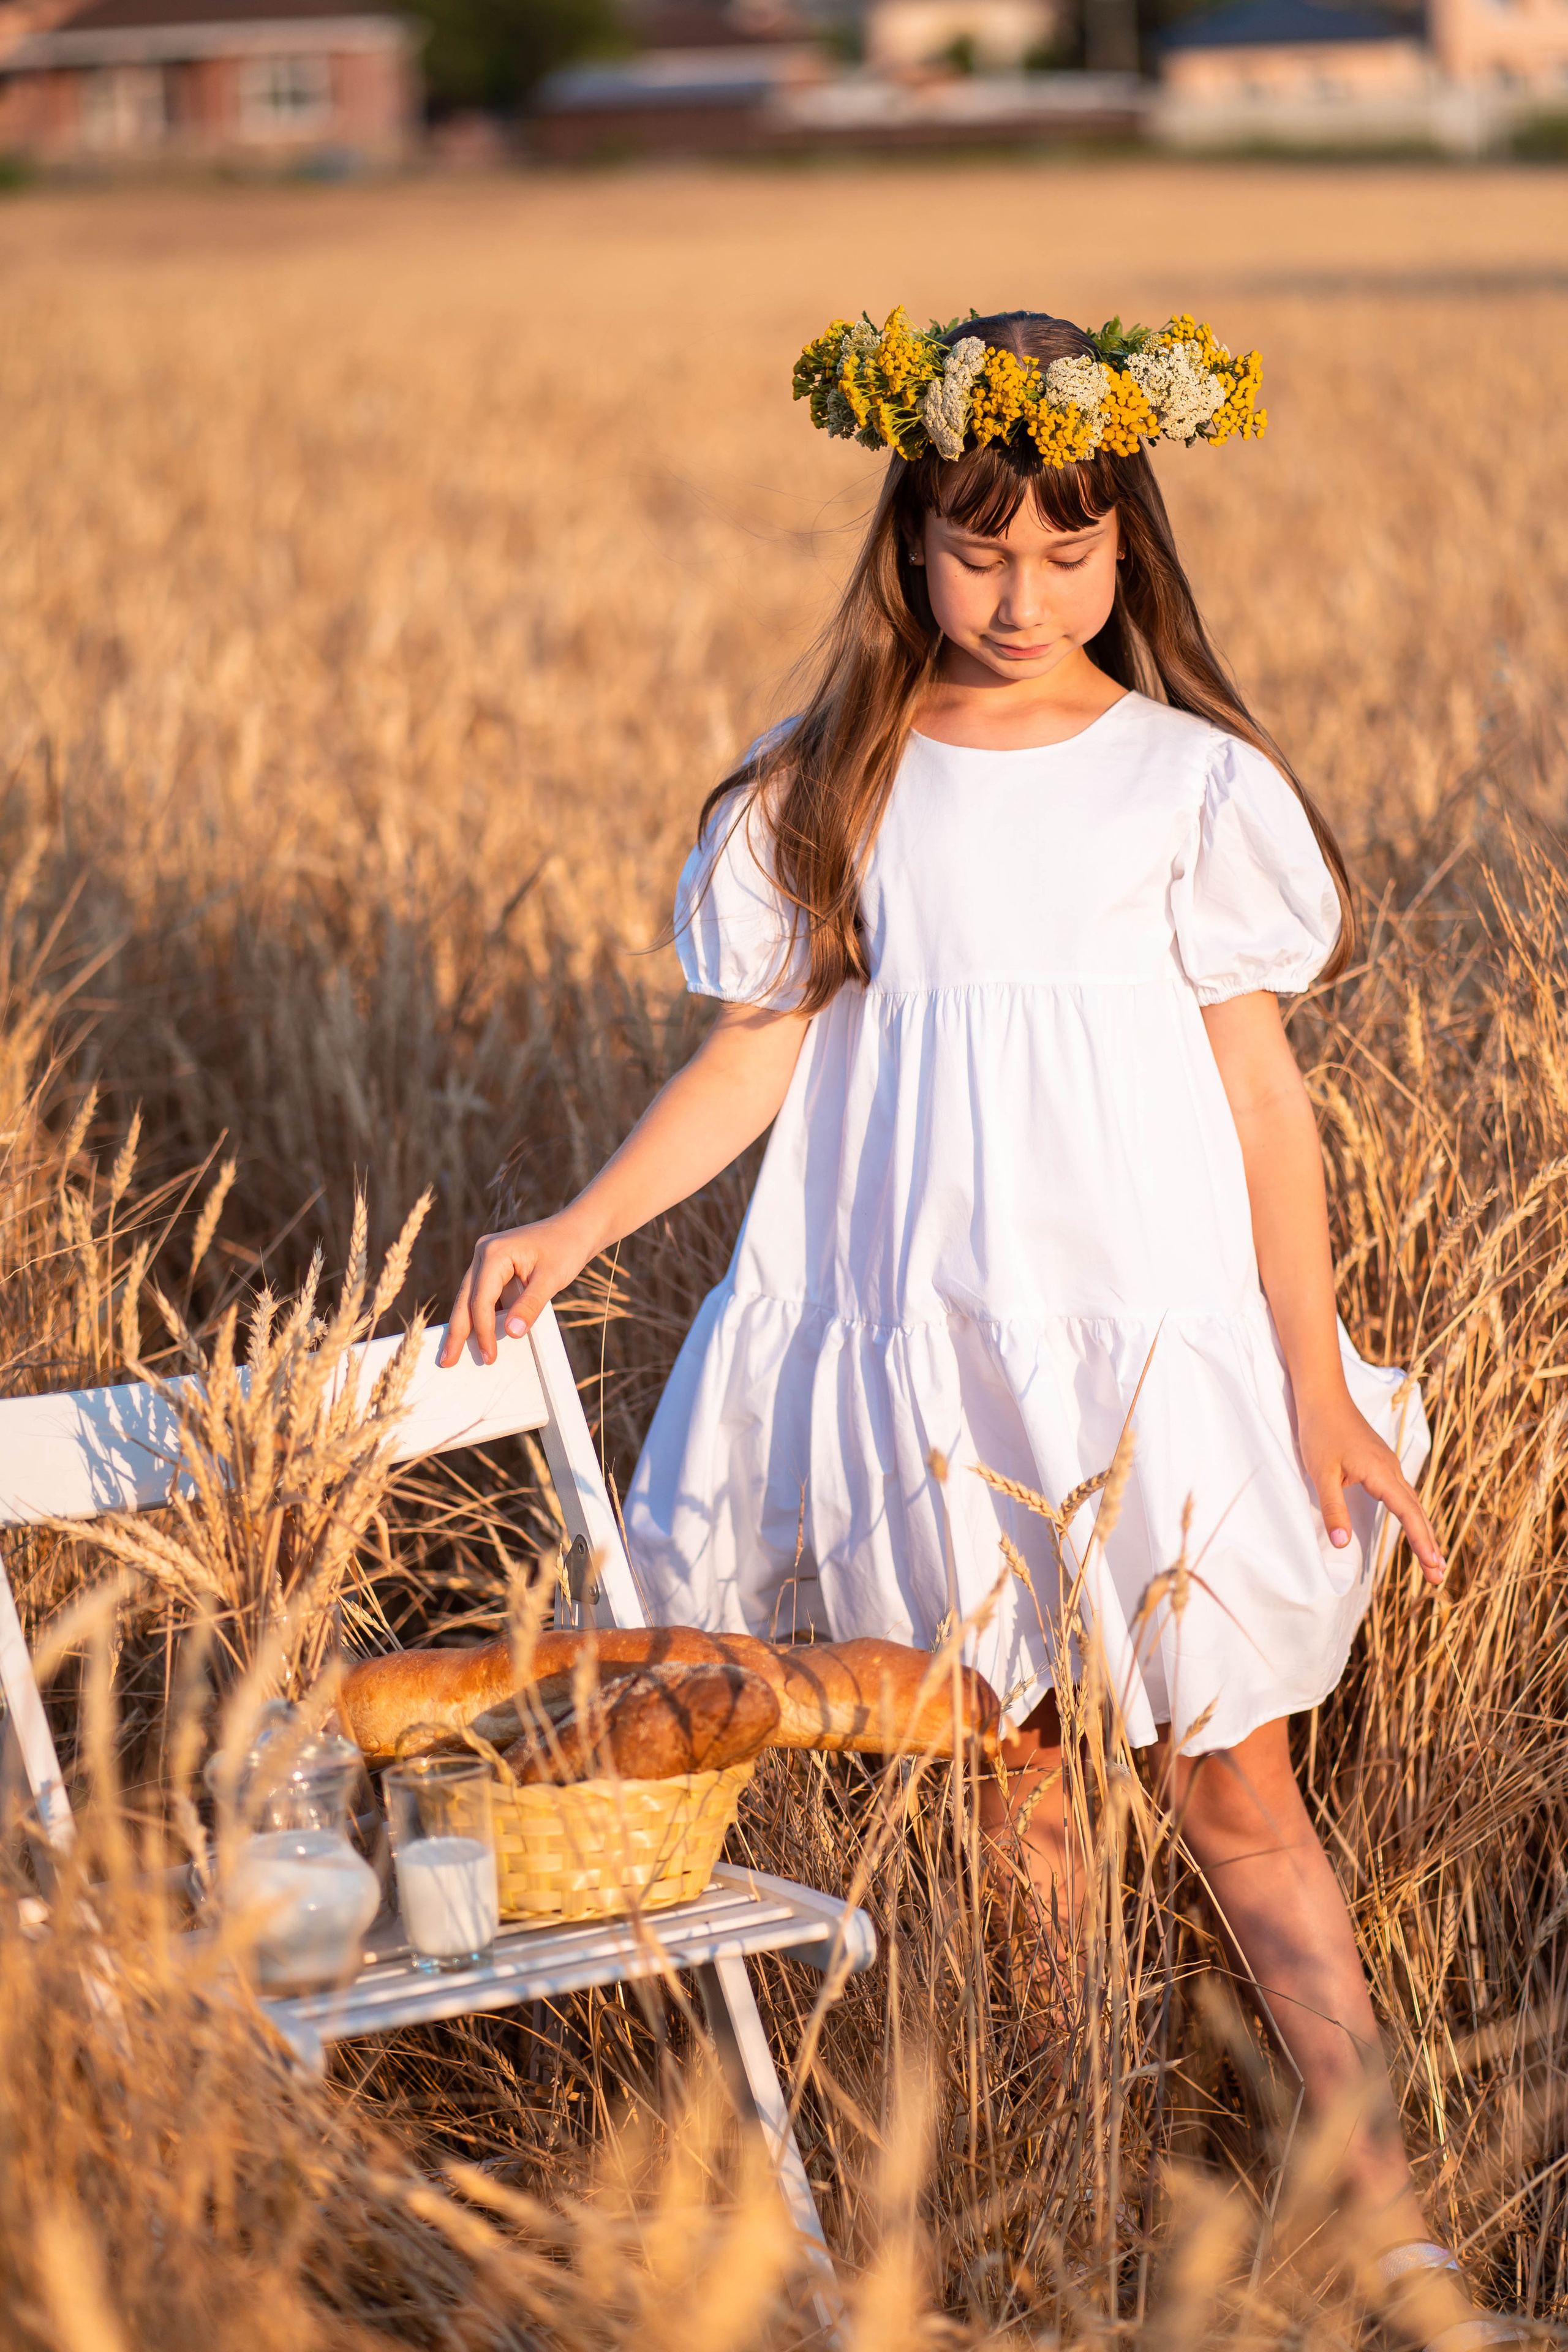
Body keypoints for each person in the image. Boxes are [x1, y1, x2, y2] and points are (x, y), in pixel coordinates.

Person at [440, 307, 1507, 2348]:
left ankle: (1390, 2219)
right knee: (1021, 1790)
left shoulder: (1188, 784)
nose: (1023, 598)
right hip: (938, 1343)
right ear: (909, 538)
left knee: (1238, 1791)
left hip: (1153, 1341)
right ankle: (1084, 2184)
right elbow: (761, 1062)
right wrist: (579, 1222)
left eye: (1070, 555)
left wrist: (1310, 1376)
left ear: (1133, 546)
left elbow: (1262, 1100)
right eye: (978, 550)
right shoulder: (828, 784)